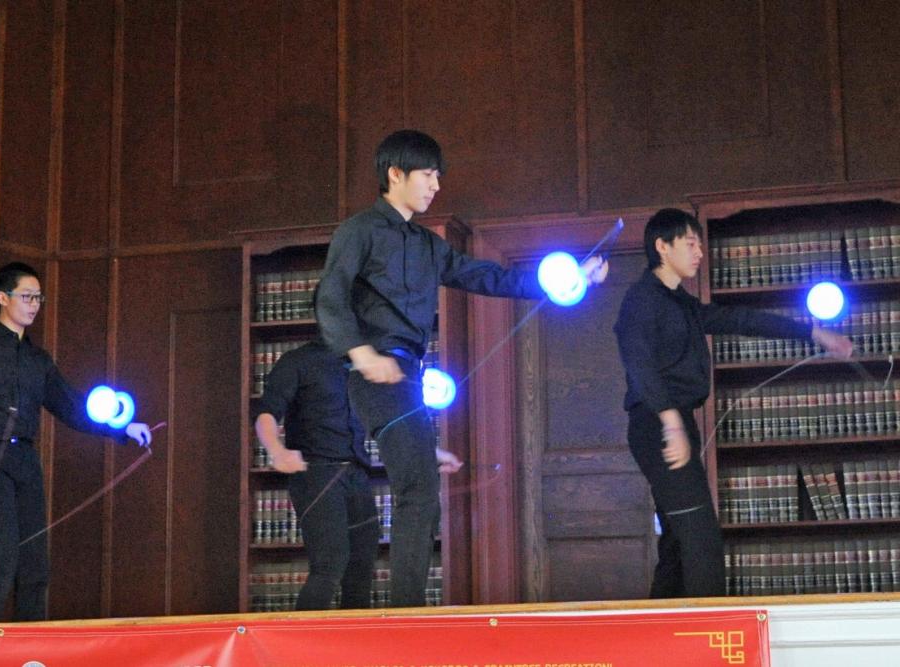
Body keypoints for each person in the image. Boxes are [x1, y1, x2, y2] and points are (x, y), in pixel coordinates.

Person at [316, 129, 608, 607]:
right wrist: (361, 353)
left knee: (420, 481)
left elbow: (489, 276)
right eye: (427, 175)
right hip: (373, 376)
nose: (435, 185)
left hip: (409, 379)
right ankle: (406, 614)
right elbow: (329, 297)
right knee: (418, 488)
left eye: (437, 177)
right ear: (395, 174)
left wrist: (574, 276)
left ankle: (405, 609)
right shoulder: (358, 231)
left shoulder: (431, 247)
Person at [613, 208, 853, 598]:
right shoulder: (641, 300)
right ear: (662, 246)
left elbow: (740, 319)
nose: (699, 252)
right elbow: (639, 365)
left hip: (674, 422)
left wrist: (813, 333)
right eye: (690, 243)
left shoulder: (682, 304)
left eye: (699, 244)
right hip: (656, 424)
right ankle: (710, 631)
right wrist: (671, 423)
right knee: (700, 534)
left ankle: (657, 627)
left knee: (677, 536)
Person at [0, 262, 152, 623]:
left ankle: (31, 648)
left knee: (35, 561)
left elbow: (70, 407)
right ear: (2, 298)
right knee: (2, 556)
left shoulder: (39, 361)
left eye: (38, 297)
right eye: (26, 296)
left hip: (24, 457)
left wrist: (124, 429)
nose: (34, 304)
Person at [254, 338, 380, 610]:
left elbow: (384, 422)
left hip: (356, 474)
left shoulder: (364, 365)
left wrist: (430, 453)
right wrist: (277, 451)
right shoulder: (298, 361)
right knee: (330, 562)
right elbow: (266, 413)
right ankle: (302, 647)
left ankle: (355, 646)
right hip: (316, 473)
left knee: (361, 565)